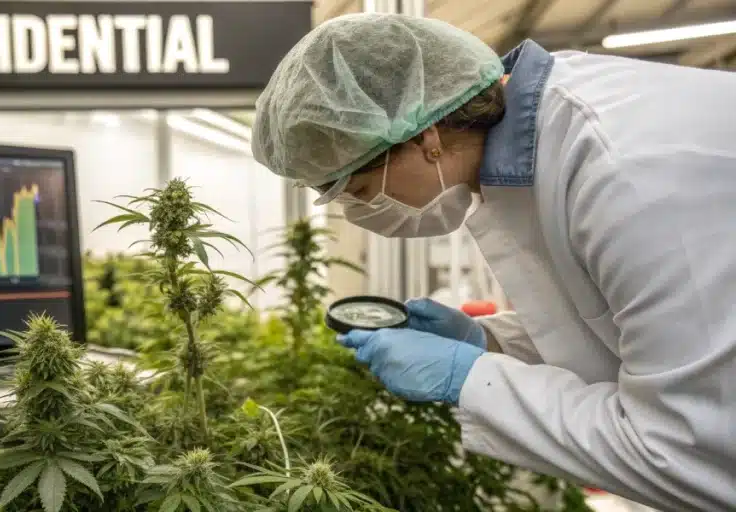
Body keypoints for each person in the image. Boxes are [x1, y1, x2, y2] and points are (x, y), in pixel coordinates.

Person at [251, 13, 736, 511]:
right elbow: (634, 336)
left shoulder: (624, 177)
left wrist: (471, 378)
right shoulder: (539, 136)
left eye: (358, 190)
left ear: (424, 140)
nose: (359, 213)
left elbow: (692, 454)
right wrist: (493, 343)